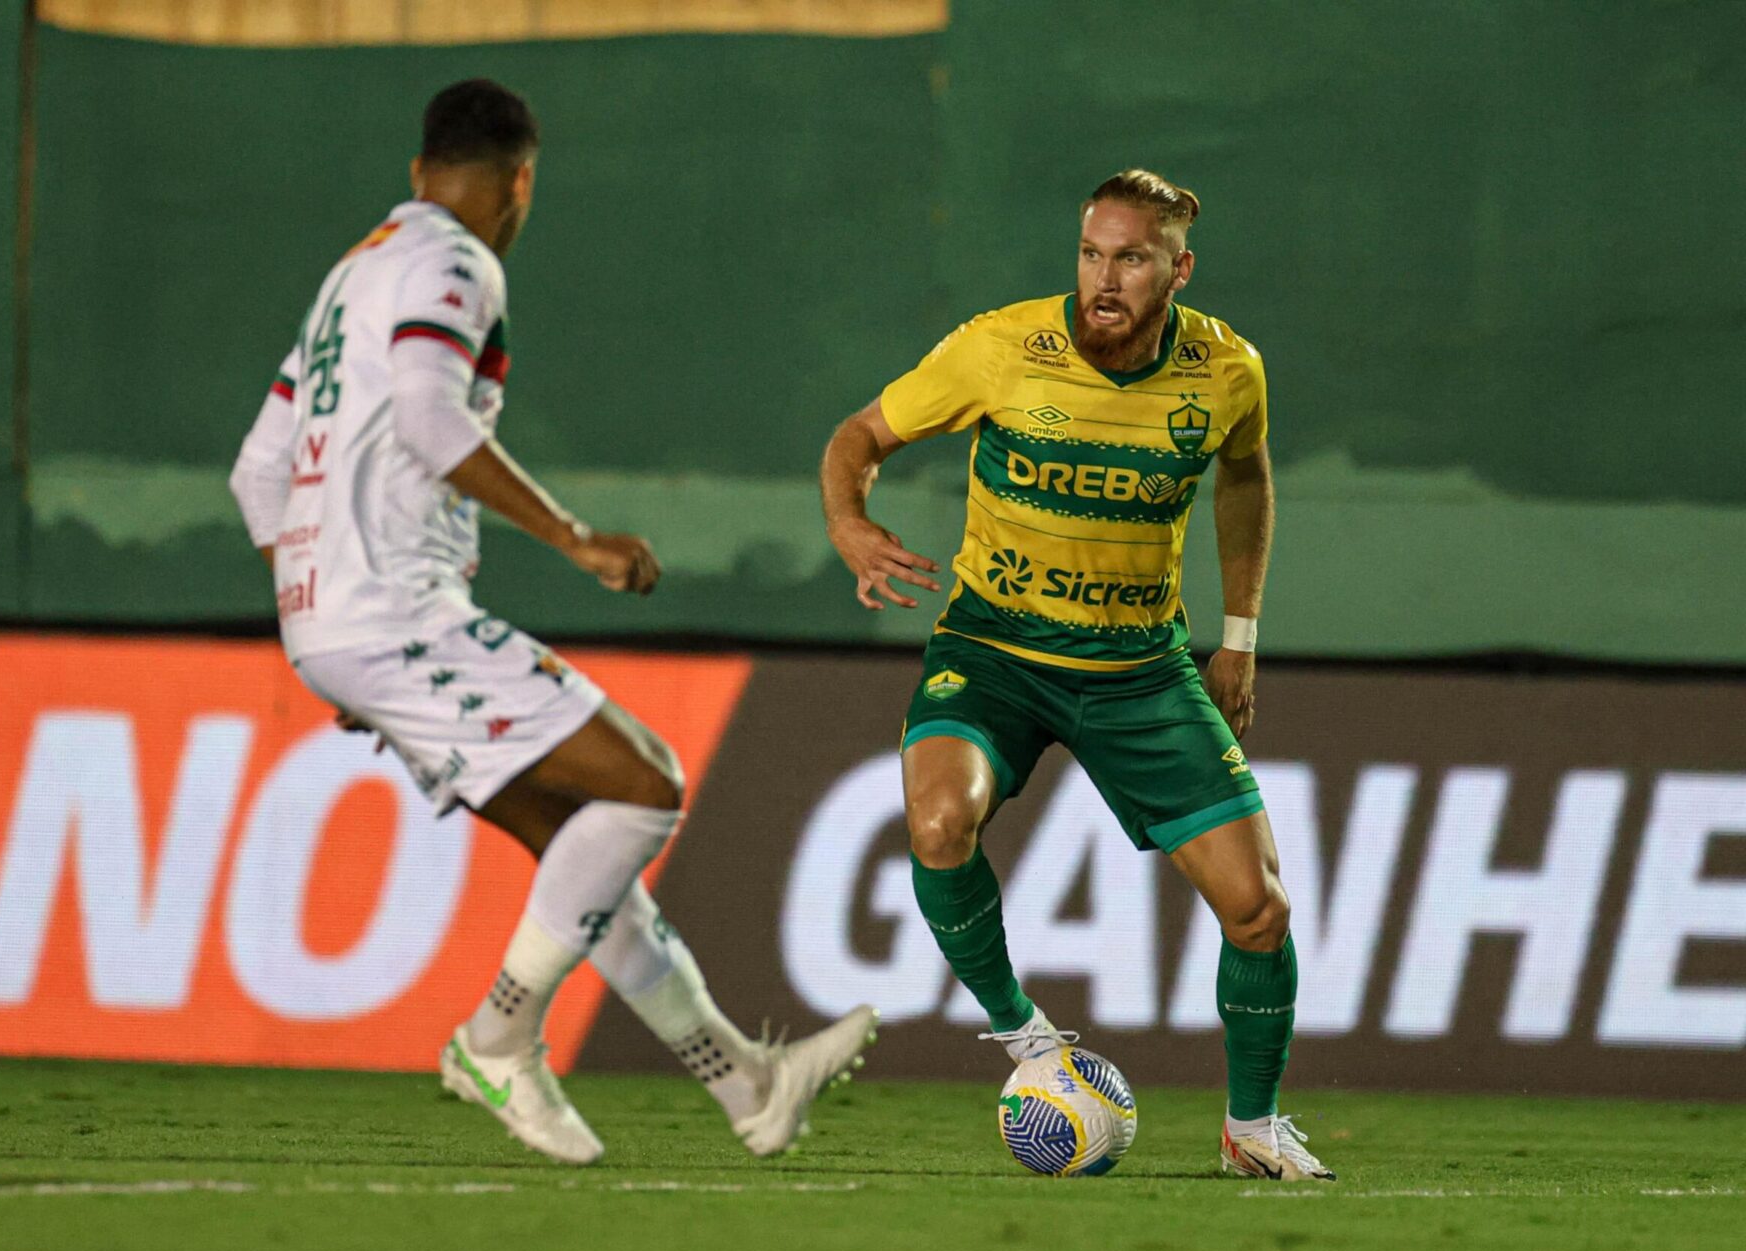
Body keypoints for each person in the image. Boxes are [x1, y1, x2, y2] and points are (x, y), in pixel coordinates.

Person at [231, 78, 876, 1167]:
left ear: (416, 170)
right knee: (645, 782)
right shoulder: (456, 264)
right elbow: (433, 417)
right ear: (521, 181)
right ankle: (498, 1035)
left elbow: (258, 472)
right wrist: (573, 534)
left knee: (578, 847)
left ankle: (746, 1083)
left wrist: (315, 613)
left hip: (338, 612)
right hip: (391, 606)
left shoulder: (350, 277)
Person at [817, 170, 1331, 1181]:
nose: (1105, 277)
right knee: (935, 823)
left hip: (1140, 665)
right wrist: (850, 524)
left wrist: (1241, 631)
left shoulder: (1227, 371)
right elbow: (859, 436)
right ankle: (1029, 1039)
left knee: (1258, 908)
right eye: (1092, 252)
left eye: (1132, 258)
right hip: (995, 651)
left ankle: (1253, 1127)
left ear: (1179, 268)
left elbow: (1245, 472)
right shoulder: (1000, 347)